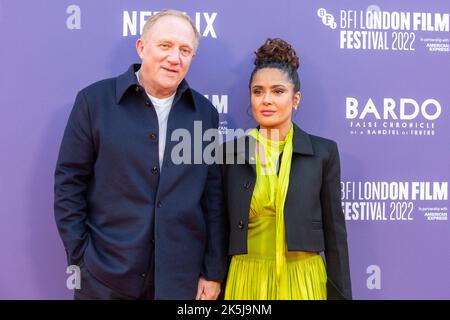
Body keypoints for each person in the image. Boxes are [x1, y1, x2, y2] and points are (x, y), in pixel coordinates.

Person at [54, 9, 228, 300]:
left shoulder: (204, 114)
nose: (175, 58)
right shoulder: (94, 102)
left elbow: (212, 199)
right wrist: (82, 257)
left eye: (185, 50)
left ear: (192, 59)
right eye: (165, 46)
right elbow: (69, 183)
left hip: (181, 282)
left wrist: (212, 272)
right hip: (105, 278)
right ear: (141, 47)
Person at [221, 38, 352, 300]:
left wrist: (341, 294)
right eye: (258, 91)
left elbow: (335, 233)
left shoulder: (323, 152)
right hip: (245, 279)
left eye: (278, 91)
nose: (266, 99)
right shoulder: (229, 153)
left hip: (304, 279)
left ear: (296, 98)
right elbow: (218, 228)